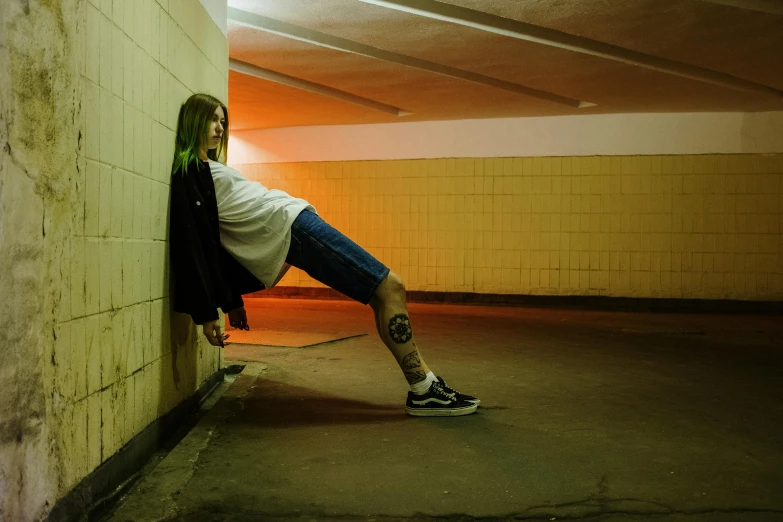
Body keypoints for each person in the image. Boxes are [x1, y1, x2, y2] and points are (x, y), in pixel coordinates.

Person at [169, 93, 479, 416]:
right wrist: (208, 313)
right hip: (294, 229)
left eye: (223, 121)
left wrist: (231, 301)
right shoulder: (190, 173)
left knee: (385, 292)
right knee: (391, 288)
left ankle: (425, 387)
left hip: (296, 223)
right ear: (193, 121)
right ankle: (424, 389)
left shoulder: (211, 168)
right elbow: (198, 246)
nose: (220, 127)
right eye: (212, 119)